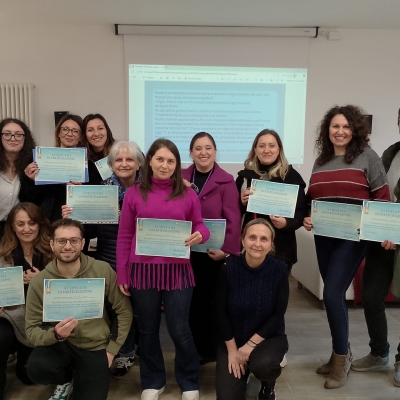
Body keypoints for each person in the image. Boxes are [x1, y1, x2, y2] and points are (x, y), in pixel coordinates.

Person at [303, 105, 392, 389]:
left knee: (331, 294)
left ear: (354, 130)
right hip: (324, 237)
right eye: (335, 126)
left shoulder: (368, 157)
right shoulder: (321, 160)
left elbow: (382, 198)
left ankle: (342, 360)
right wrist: (308, 216)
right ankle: (339, 351)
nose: (340, 131)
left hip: (353, 239)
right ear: (327, 130)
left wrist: (385, 231)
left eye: (346, 126)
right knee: (335, 297)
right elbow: (313, 198)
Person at [116, 138, 210, 400]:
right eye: (160, 159)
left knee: (179, 329)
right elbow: (125, 235)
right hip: (142, 272)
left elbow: (200, 225)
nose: (165, 165)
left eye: (171, 161)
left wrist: (201, 235)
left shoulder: (188, 194)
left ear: (177, 164)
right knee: (147, 330)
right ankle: (153, 381)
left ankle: (188, 380)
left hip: (177, 272)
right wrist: (123, 273)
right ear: (149, 162)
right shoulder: (134, 193)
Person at [25, 218, 133, 400]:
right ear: (52, 244)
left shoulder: (103, 270)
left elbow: (124, 311)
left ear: (83, 243)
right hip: (60, 344)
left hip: (95, 345)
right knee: (37, 369)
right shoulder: (40, 281)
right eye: (61, 241)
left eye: (74, 240)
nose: (68, 246)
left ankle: (82, 378)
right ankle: (65, 379)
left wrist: (112, 350)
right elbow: (31, 330)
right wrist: (55, 334)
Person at [62, 141, 144, 379]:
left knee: (141, 310)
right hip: (109, 257)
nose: (124, 164)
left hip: (141, 258)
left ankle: (142, 349)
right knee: (118, 309)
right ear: (111, 164)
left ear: (139, 163)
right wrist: (74, 216)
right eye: (118, 160)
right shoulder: (100, 191)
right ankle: (124, 352)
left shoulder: (149, 191)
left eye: (129, 159)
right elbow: (89, 232)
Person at [182, 132, 241, 365]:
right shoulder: (180, 177)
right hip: (185, 252)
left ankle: (210, 351)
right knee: (190, 303)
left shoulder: (226, 181)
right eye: (198, 148)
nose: (203, 152)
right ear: (190, 152)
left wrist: (225, 251)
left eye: (208, 148)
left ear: (215, 151)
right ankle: (193, 350)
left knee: (211, 302)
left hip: (212, 255)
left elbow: (233, 220)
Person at [351, 107, 400, 384]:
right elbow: (376, 193)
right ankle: (379, 352)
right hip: (381, 239)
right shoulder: (389, 154)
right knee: (370, 296)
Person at [216, 218, 288, 400]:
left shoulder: (279, 269)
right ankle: (247, 370)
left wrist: (250, 346)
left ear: (271, 244)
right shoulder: (228, 268)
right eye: (252, 237)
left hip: (267, 338)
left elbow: (278, 315)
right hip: (233, 339)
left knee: (265, 366)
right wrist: (233, 351)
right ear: (243, 240)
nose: (257, 244)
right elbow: (221, 313)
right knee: (226, 397)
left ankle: (266, 384)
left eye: (264, 239)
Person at [0, 203, 53, 400]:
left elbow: (65, 291)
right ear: (13, 227)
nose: (26, 229)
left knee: (29, 376)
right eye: (20, 224)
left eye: (31, 223)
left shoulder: (53, 251)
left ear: (40, 224)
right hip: (10, 315)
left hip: (42, 318)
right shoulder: (3, 253)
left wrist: (40, 280)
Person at [236, 129, 308, 272]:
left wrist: (286, 223)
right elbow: (232, 212)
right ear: (255, 149)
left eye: (272, 145)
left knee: (276, 286)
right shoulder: (244, 177)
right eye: (262, 146)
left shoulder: (291, 177)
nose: (266, 150)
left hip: (281, 249)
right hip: (249, 248)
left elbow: (302, 212)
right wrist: (241, 202)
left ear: (279, 149)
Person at [24, 114, 102, 222]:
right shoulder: (40, 161)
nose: (69, 134)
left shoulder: (90, 167)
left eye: (75, 131)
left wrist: (80, 191)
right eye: (65, 129)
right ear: (58, 133)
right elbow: (28, 200)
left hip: (78, 223)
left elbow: (95, 203)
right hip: (48, 222)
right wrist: (32, 181)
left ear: (80, 137)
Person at [0, 118, 37, 239]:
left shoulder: (34, 166)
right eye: (7, 134)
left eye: (19, 135)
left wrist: (32, 181)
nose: (13, 138)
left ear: (25, 139)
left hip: (22, 232)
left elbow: (36, 204)